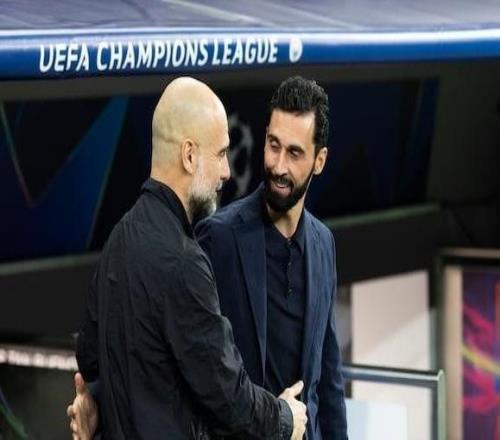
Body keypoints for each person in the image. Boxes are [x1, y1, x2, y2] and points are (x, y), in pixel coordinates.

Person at [71, 77, 307, 439]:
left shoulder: (118, 239)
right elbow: (228, 395)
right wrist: (285, 418)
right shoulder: (183, 263)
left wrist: (99, 411)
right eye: (220, 154)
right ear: (189, 155)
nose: (226, 171)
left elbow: (89, 357)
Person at [195, 76, 347, 440]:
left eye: (294, 153)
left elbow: (328, 379)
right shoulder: (219, 237)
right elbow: (199, 366)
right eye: (273, 145)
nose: (278, 166)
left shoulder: (323, 244)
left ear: (319, 160)